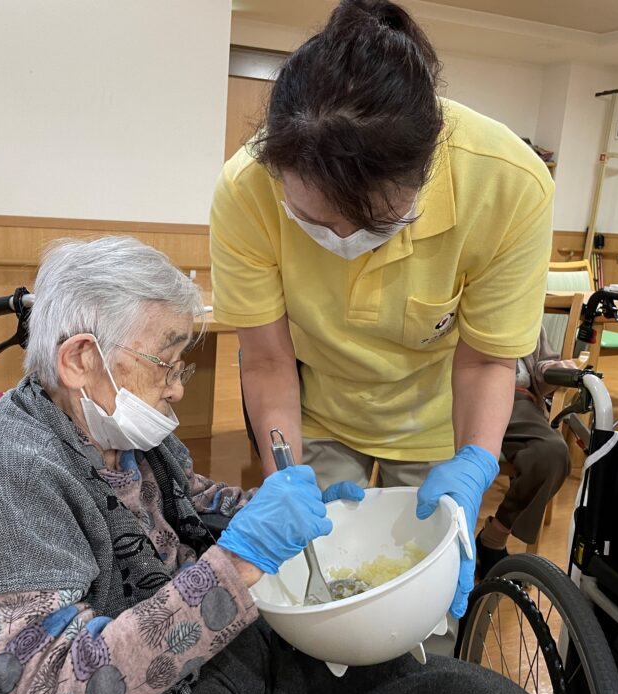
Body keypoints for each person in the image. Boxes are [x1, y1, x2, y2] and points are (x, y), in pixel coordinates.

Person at [0, 237, 549, 694]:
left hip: (226, 660)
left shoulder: (122, 432)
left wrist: (289, 512)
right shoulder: (6, 471)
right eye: (165, 363)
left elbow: (192, 501)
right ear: (82, 359)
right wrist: (239, 561)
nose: (175, 389)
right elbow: (54, 690)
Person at [210, 0, 554, 620]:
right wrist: (282, 471)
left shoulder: (507, 185)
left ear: (427, 170)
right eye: (312, 221)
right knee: (304, 583)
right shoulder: (246, 188)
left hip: (437, 419)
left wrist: (475, 462)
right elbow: (265, 360)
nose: (340, 243)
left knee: (425, 599)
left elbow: (483, 364)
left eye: (374, 223)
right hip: (313, 408)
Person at [475, 327, 575, 578]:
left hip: (517, 400)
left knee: (551, 454)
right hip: (455, 395)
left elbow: (543, 364)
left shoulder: (524, 305)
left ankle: (493, 539)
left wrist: (557, 369)